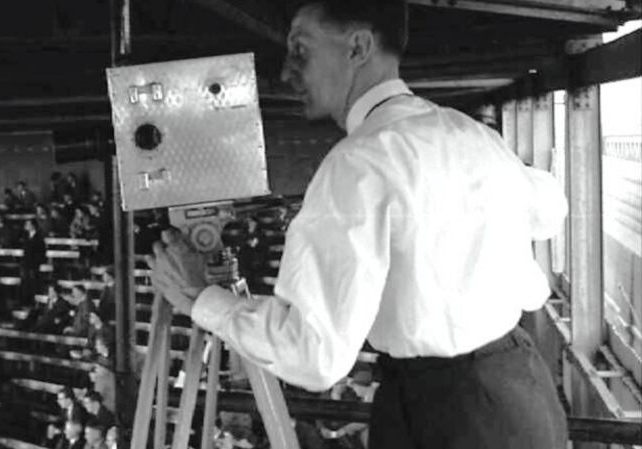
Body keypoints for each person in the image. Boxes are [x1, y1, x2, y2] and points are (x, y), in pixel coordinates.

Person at [147, 1, 568, 448]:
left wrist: (199, 297)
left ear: (359, 47)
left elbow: (313, 354)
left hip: (449, 413)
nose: (287, 72)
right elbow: (550, 209)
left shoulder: (357, 164)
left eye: (301, 51)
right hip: (523, 388)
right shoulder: (469, 133)